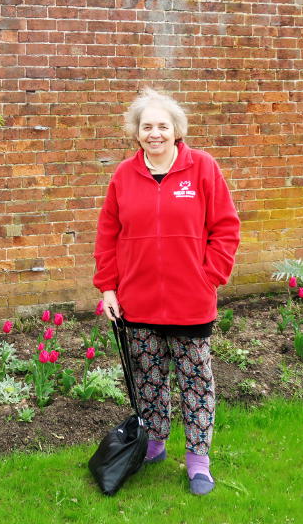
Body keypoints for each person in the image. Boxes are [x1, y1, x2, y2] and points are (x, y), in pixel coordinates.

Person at [93, 88, 240, 496]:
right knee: (150, 381)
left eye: (162, 126)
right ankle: (153, 445)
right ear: (136, 133)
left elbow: (226, 227)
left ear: (176, 130)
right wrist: (108, 288)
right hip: (137, 302)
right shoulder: (124, 175)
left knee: (196, 383)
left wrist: (209, 276)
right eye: (147, 126)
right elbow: (108, 234)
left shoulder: (203, 169)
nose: (154, 133)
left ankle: (198, 460)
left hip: (191, 303)